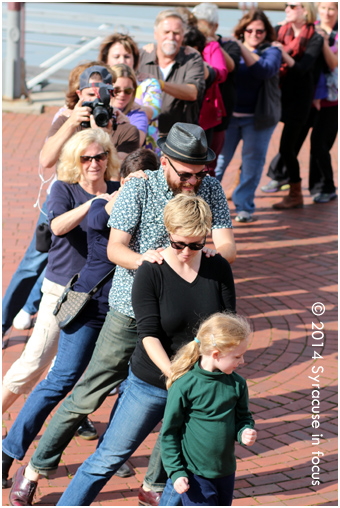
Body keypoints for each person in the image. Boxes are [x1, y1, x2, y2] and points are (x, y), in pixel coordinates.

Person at [8, 123, 236, 506]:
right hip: (130, 310)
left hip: (179, 320)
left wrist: (212, 254)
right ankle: (36, 468)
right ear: (166, 162)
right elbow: (116, 248)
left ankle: (155, 482)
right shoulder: (140, 186)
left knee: (180, 399)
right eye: (186, 173)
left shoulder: (209, 189)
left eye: (201, 173)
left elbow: (227, 245)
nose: (194, 181)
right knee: (86, 395)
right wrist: (151, 263)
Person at [51, 193, 236, 506]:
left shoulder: (216, 269)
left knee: (183, 471)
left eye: (195, 244)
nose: (186, 252)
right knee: (107, 458)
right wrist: (174, 374)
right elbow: (148, 334)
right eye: (179, 244)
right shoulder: (152, 270)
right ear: (168, 233)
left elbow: (225, 328)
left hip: (198, 388)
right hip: (152, 383)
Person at [4, 149, 159, 499]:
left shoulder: (157, 212)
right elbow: (93, 220)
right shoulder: (104, 204)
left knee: (124, 385)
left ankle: (110, 448)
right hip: (91, 304)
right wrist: (120, 194)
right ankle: (9, 452)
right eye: (137, 183)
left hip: (131, 310)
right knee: (62, 379)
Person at [2, 62, 139, 343]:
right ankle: (4, 322)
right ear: (78, 94)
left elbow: (115, 174)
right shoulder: (67, 118)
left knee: (88, 267)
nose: (96, 100)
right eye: (90, 94)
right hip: (64, 203)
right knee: (32, 265)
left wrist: (105, 134)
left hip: (101, 206)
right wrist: (73, 122)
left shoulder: (124, 127)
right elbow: (46, 160)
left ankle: (70, 333)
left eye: (103, 94)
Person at [161, 312, 257, 506]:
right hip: (195, 475)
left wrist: (245, 431)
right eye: (237, 356)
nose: (243, 361)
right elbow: (169, 433)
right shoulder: (185, 385)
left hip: (226, 472)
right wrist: (176, 472)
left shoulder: (237, 384)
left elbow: (243, 418)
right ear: (216, 354)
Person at [262, 2, 338, 204]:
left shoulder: (318, 36)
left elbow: (313, 67)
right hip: (286, 96)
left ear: (305, 10)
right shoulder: (281, 30)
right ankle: (280, 177)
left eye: (293, 5)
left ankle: (309, 190)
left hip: (314, 99)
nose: (287, 8)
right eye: (286, 5)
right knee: (281, 143)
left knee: (303, 146)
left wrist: (281, 52)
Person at [214, 9, 282, 223]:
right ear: (242, 30)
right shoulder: (230, 48)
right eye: (249, 29)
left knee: (252, 164)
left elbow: (264, 70)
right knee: (219, 162)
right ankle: (206, 207)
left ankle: (244, 207)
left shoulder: (272, 51)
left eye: (259, 31)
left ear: (266, 32)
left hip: (258, 119)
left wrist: (240, 45)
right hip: (230, 118)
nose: (254, 33)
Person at [138, 9, 206, 135]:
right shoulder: (140, 57)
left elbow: (193, 92)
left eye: (176, 33)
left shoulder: (192, 58)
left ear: (183, 36)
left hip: (181, 138)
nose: (171, 37)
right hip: (145, 135)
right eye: (166, 32)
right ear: (155, 34)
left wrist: (159, 84)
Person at [98, 33, 162, 153]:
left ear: (135, 59)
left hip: (144, 153)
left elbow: (154, 110)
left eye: (127, 56)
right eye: (116, 56)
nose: (122, 61)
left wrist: (133, 106)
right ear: (106, 60)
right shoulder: (98, 86)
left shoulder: (148, 83)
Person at [189, 4, 228, 159]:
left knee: (206, 162)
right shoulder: (183, 41)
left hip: (206, 113)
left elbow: (222, 72)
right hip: (184, 111)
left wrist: (205, 70)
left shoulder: (211, 45)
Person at [110, 63, 148, 146]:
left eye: (128, 91)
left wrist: (126, 124)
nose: (122, 94)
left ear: (133, 91)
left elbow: (136, 143)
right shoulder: (94, 107)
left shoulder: (138, 113)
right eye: (116, 90)